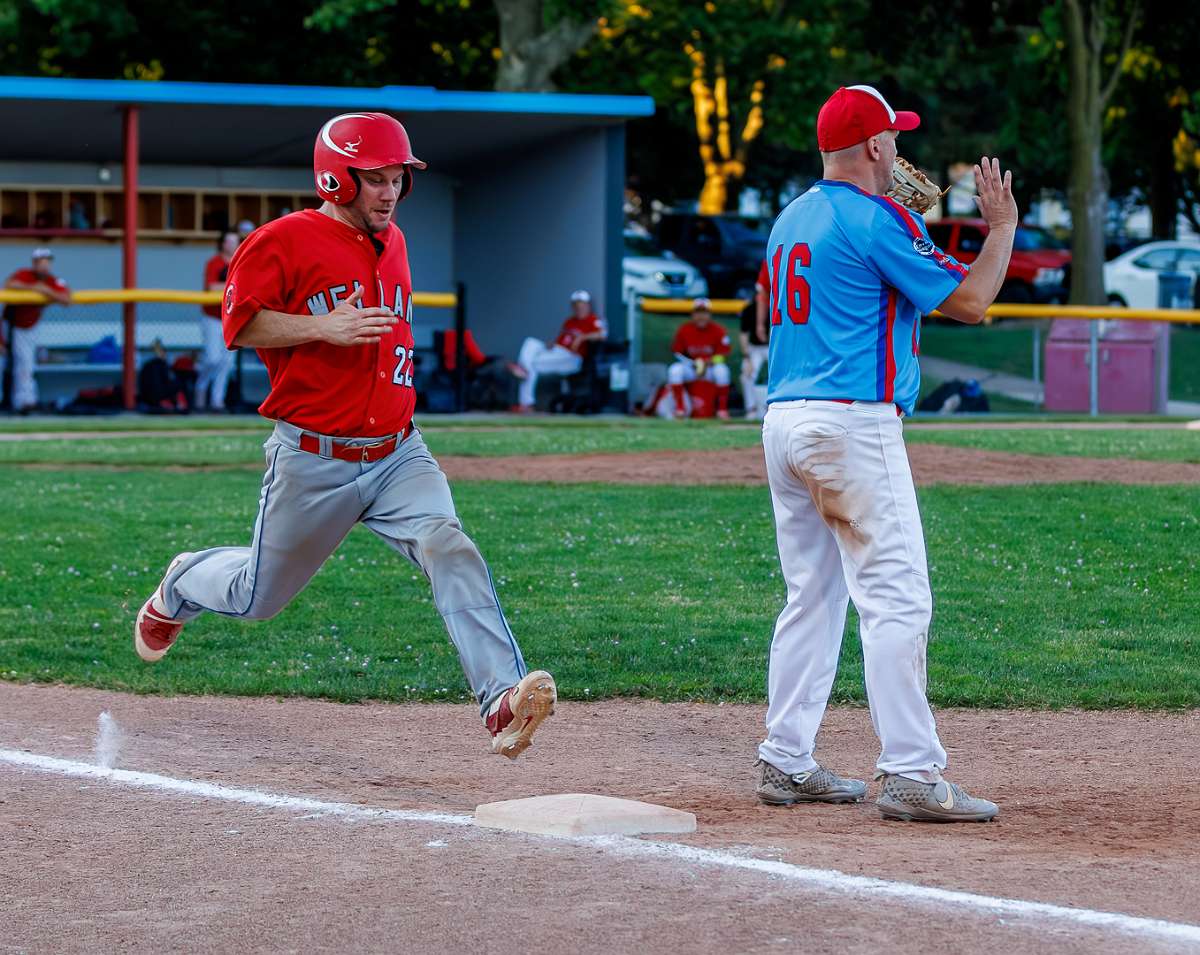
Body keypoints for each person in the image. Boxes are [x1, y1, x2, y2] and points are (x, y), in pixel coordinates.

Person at [132, 112, 556, 759]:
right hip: (314, 459)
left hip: (399, 451)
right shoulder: (283, 239)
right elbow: (239, 324)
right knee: (256, 598)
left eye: (398, 178)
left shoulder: (395, 241)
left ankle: (501, 702)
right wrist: (319, 328)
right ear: (337, 179)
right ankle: (183, 580)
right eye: (376, 179)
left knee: (448, 544)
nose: (391, 192)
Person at [755, 85, 1016, 822]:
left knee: (812, 596)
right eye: (893, 137)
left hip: (784, 421)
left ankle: (785, 758)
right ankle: (911, 770)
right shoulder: (877, 218)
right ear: (873, 146)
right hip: (851, 424)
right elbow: (971, 302)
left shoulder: (791, 217)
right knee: (896, 597)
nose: (899, 149)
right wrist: (1001, 227)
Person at [513, 290, 606, 412]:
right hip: (558, 352)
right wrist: (552, 344)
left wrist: (582, 337)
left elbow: (602, 335)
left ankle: (524, 373)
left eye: (582, 305)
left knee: (531, 365)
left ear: (588, 305)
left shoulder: (593, 319)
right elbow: (561, 340)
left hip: (572, 358)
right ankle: (526, 398)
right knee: (530, 343)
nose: (579, 308)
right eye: (576, 305)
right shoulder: (570, 321)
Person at [3, 248, 71, 413]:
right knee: (15, 364)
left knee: (25, 364)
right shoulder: (24, 274)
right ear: (34, 263)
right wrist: (35, 288)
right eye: (41, 262)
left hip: (29, 327)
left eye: (47, 262)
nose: (44, 265)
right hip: (10, 325)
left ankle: (24, 401)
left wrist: (46, 291)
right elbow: (9, 285)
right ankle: (21, 401)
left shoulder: (51, 281)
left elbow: (67, 298)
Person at [195, 231, 239, 411]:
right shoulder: (214, 263)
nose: (232, 245)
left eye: (235, 241)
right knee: (213, 359)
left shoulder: (240, 261)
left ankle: (217, 400)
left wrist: (230, 286)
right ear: (222, 244)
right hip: (212, 318)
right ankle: (200, 388)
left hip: (232, 319)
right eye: (229, 241)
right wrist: (234, 284)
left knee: (227, 362)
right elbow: (212, 287)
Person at [667, 298, 732, 419]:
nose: (701, 316)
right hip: (691, 367)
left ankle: (722, 410)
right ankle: (680, 409)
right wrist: (691, 363)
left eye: (704, 313)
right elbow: (677, 352)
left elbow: (723, 355)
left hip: (709, 368)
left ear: (710, 314)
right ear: (692, 314)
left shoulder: (719, 330)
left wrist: (708, 362)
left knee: (722, 371)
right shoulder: (685, 329)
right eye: (698, 313)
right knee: (675, 370)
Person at [739, 260, 771, 418]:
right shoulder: (749, 309)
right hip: (755, 347)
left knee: (780, 374)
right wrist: (747, 358)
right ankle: (751, 409)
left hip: (773, 347)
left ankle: (772, 407)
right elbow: (743, 334)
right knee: (747, 374)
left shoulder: (778, 304)